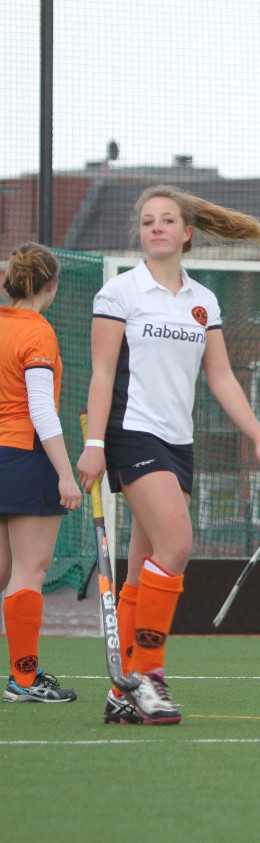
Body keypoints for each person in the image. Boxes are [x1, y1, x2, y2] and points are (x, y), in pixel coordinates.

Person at [77, 185, 260, 725]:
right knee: (177, 543)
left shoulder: (203, 300)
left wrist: (259, 438)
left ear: (187, 233)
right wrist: (94, 445)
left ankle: (122, 689)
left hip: (178, 440)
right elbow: (102, 374)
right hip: (131, 433)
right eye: (148, 221)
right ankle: (149, 675)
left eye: (167, 220)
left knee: (144, 568)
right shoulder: (119, 293)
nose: (156, 228)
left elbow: (222, 377)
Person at [1, 244, 81, 703]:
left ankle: (24, 676)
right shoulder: (38, 331)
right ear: (51, 285)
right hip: (24, 457)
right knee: (30, 570)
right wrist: (65, 474)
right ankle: (24, 680)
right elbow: (40, 409)